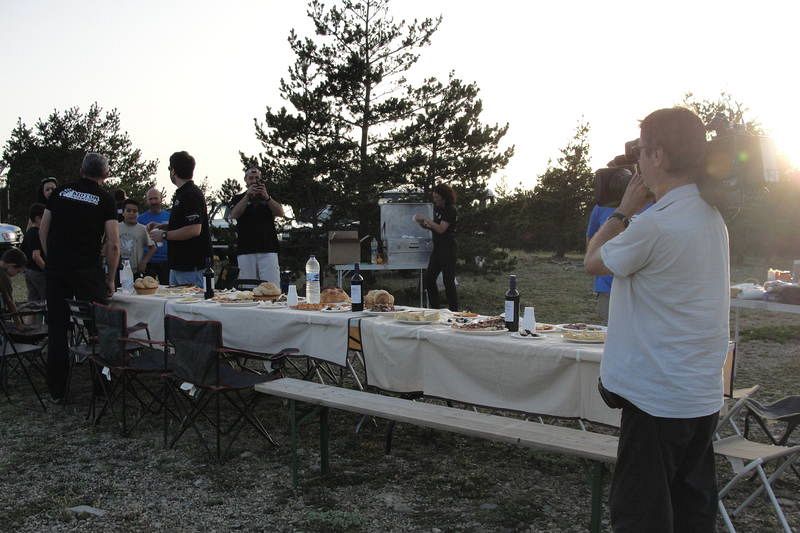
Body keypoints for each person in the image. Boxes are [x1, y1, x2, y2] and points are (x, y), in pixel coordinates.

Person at [584, 107, 729, 532]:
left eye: (643, 155)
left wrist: (622, 210)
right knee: (691, 516)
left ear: (659, 156)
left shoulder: (655, 225)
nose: (639, 165)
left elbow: (593, 262)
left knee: (641, 518)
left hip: (655, 400)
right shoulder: (710, 216)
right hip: (699, 395)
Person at [40, 152, 119, 402]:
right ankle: (102, 387)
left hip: (57, 270)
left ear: (82, 169)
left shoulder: (60, 192)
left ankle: (56, 390)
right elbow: (114, 243)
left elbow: (44, 229)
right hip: (87, 271)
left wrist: (51, 258)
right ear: (104, 174)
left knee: (57, 329)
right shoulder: (105, 199)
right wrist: (110, 278)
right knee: (100, 328)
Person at [148, 151, 211, 287]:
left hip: (191, 267)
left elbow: (194, 229)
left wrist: (164, 235)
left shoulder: (191, 194)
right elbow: (185, 224)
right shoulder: (182, 194)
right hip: (179, 266)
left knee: (189, 307)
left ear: (173, 171)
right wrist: (163, 226)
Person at [228, 167, 284, 285]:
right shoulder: (238, 198)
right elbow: (233, 215)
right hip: (246, 250)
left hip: (268, 248)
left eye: (257, 178)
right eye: (251, 178)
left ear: (261, 179)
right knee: (248, 287)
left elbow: (280, 213)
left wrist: (267, 197)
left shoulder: (269, 196)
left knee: (271, 286)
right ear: (245, 180)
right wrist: (247, 197)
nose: (254, 181)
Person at [414, 183, 458, 311]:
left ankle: (454, 311)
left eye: (437, 198)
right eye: (434, 197)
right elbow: (433, 227)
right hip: (438, 248)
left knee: (448, 281)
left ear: (444, 197)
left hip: (448, 249)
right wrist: (422, 223)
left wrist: (426, 218)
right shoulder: (437, 209)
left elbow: (441, 229)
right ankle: (435, 309)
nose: (435, 200)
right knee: (429, 279)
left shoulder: (450, 210)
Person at [137, 187, 171, 284]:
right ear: (147, 201)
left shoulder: (169, 216)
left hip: (166, 261)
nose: (153, 201)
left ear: (161, 199)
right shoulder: (140, 219)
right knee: (147, 291)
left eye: (156, 198)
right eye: (150, 199)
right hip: (148, 262)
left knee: (168, 290)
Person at [119, 199, 156, 276]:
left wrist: (144, 262)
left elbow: (153, 247)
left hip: (136, 271)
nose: (132, 213)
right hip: (119, 269)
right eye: (128, 211)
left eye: (135, 211)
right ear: (123, 213)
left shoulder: (143, 229)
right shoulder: (116, 227)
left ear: (138, 213)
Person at [21, 203, 47, 302]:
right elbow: (36, 256)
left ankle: (30, 318)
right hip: (38, 272)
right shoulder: (36, 233)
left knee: (33, 303)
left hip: (28, 271)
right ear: (37, 218)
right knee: (46, 301)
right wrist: (47, 270)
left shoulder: (28, 233)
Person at [0, 248, 27, 318]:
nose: (16, 274)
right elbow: (9, 301)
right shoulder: (4, 277)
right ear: (11, 265)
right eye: (18, 271)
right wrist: (18, 323)